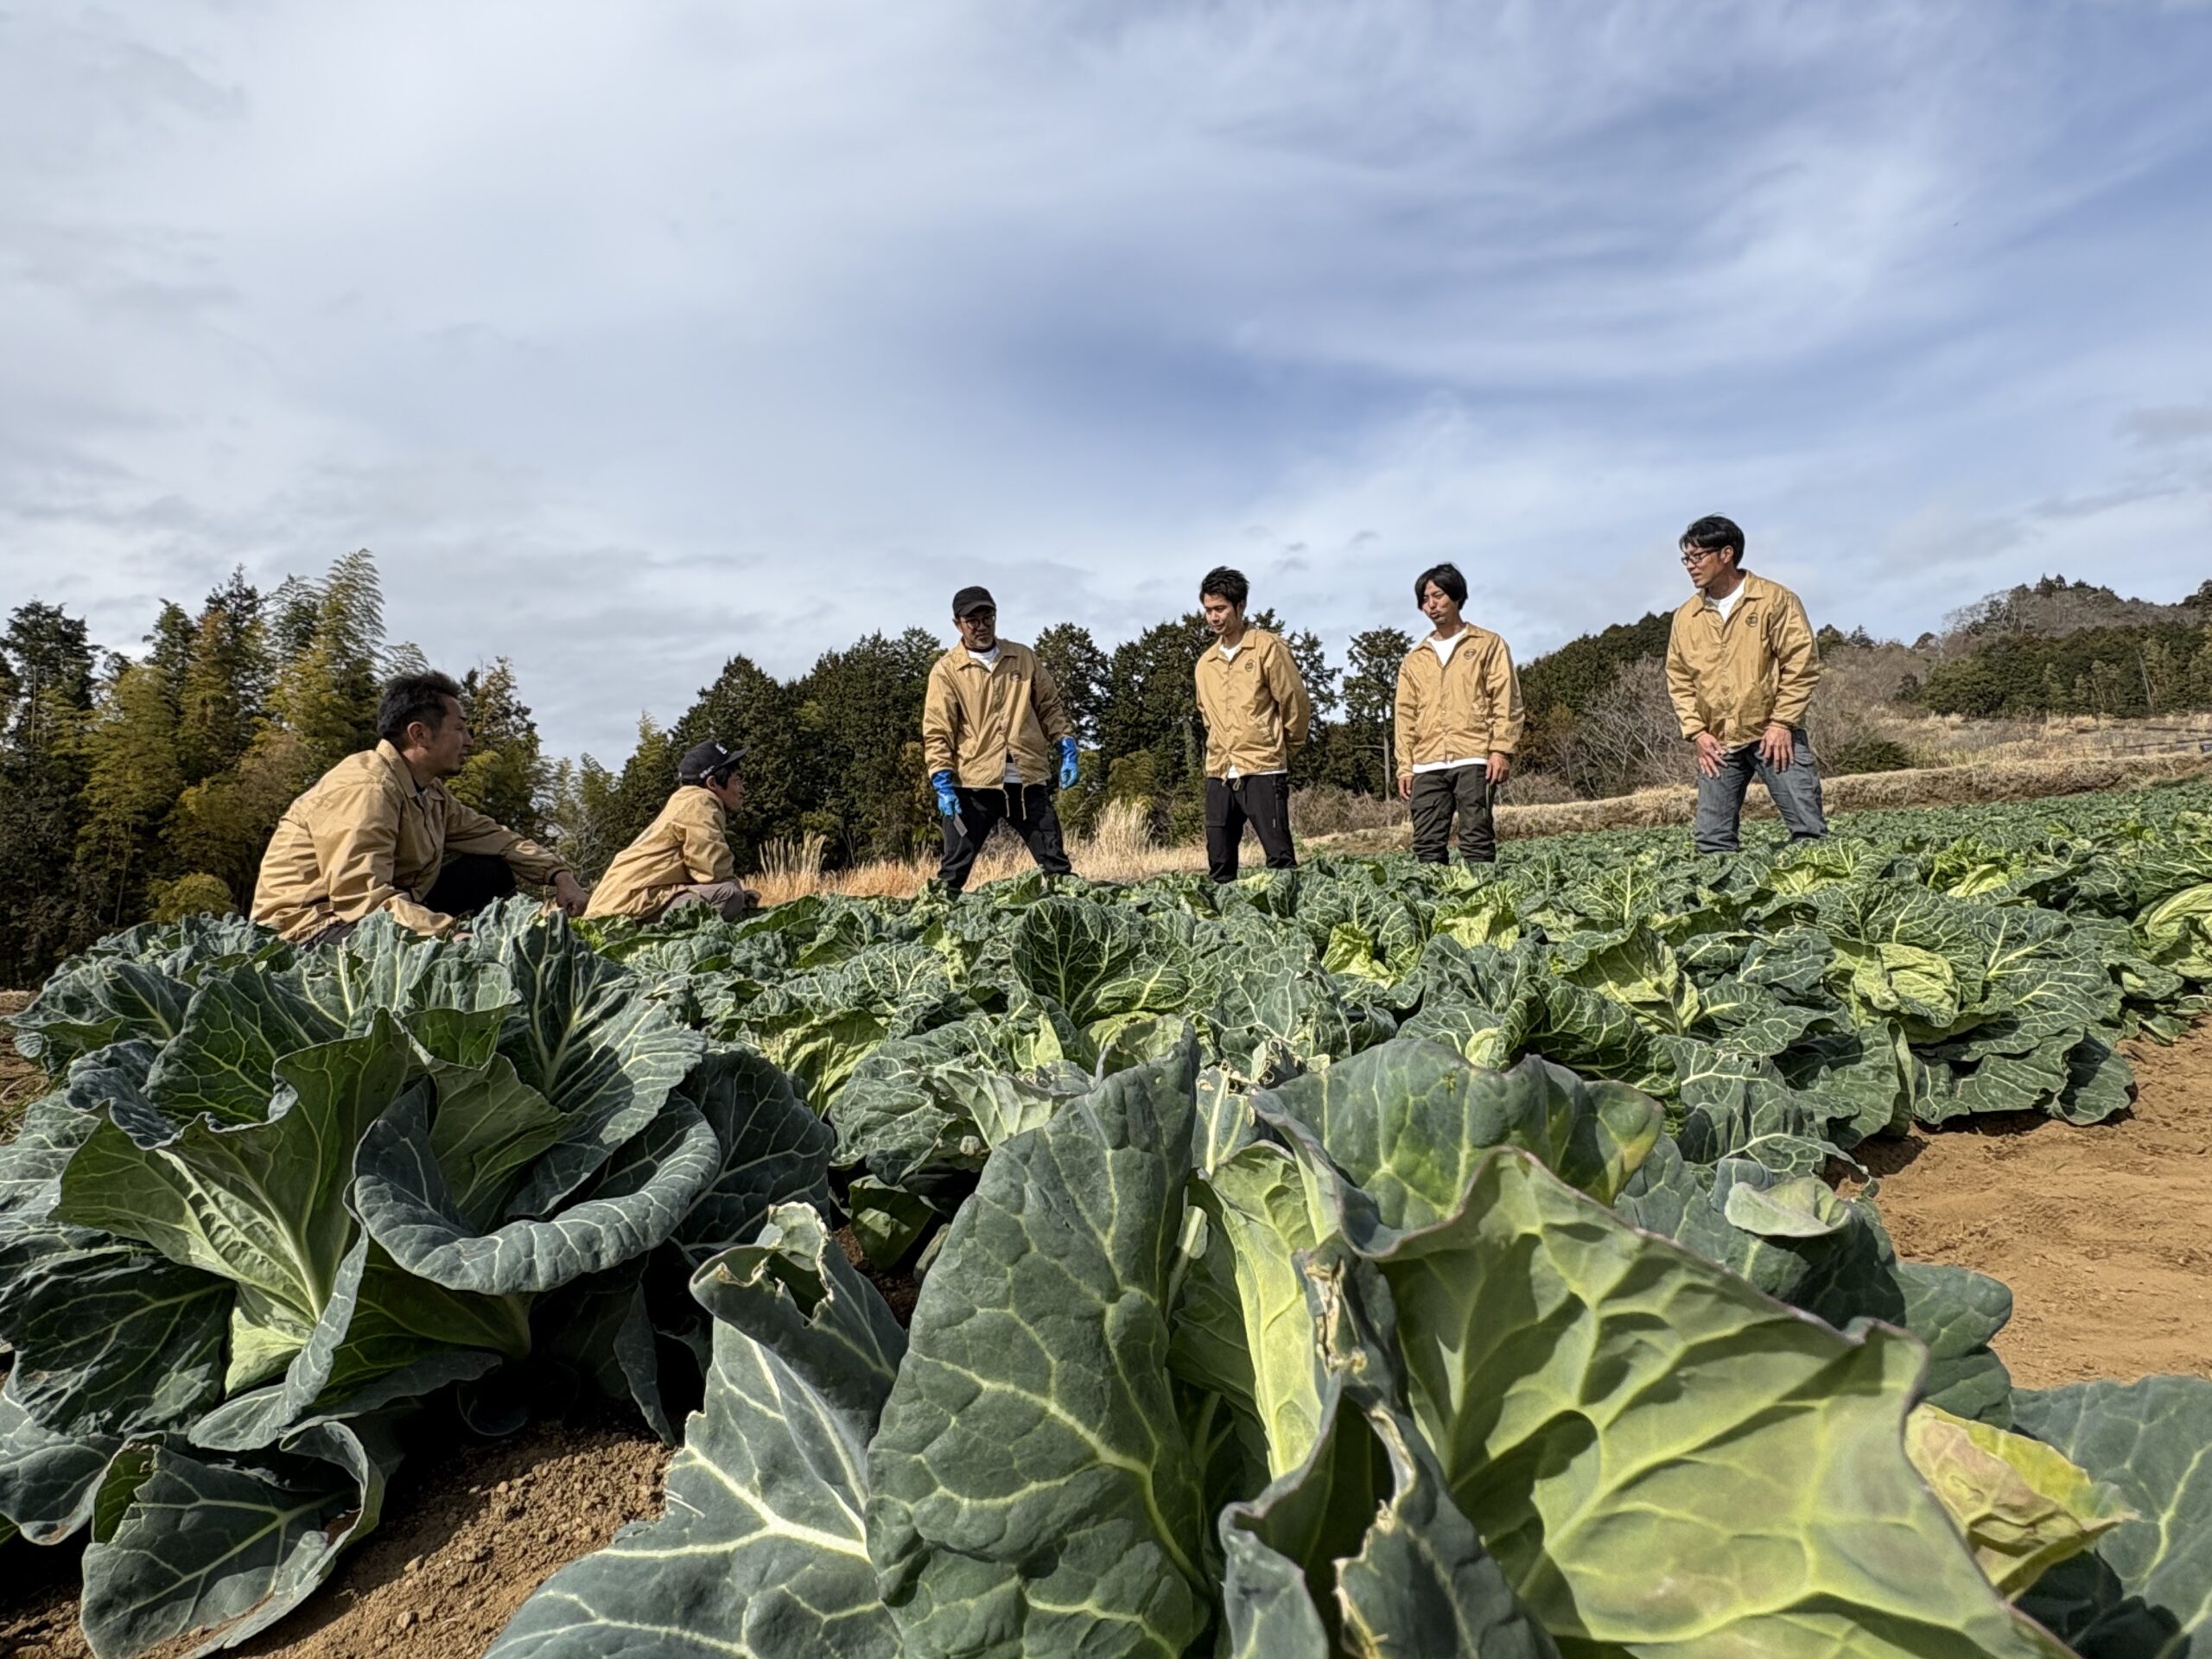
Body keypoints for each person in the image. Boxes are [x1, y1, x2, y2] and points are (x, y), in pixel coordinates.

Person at [251, 671, 586, 943]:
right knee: (447, 948)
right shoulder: (365, 789)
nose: (469, 740)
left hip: (378, 910)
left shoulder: (429, 792)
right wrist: (448, 933)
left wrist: (557, 874)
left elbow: (494, 837)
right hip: (312, 925)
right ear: (419, 734)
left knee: (489, 871)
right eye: (459, 728)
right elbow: (361, 899)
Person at [1664, 514, 1827, 853]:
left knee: (1808, 832)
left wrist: (1782, 722)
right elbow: (1678, 679)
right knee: (1712, 842)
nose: (1690, 566)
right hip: (1717, 742)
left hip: (1774, 735)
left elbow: (1801, 663)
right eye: (1686, 559)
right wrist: (1697, 732)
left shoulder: (1774, 599)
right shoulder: (1685, 616)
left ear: (1726, 554)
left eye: (1697, 557)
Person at [922, 586, 1078, 893]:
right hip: (972, 787)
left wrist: (1066, 744)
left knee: (1056, 865)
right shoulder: (946, 672)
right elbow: (937, 731)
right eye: (972, 621)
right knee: (953, 873)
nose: (981, 626)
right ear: (958, 624)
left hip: (1027, 781)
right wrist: (941, 781)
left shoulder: (1023, 658)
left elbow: (1049, 706)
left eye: (987, 617)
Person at [1392, 562, 1524, 865]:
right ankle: (1431, 908)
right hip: (1426, 762)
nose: (1432, 605)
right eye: (1425, 600)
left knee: (1476, 839)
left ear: (1456, 596)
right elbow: (1405, 715)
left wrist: (1500, 749)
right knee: (1426, 846)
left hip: (1475, 756)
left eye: (1438, 595)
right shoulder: (1414, 659)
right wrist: (1404, 766)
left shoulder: (1488, 644)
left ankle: (1484, 902)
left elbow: (1506, 699)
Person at [1193, 567, 1313, 882]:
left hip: (1263, 767)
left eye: (1220, 609)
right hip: (1219, 769)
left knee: (1280, 857)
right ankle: (1222, 926)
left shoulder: (1267, 647)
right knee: (1219, 863)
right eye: (1208, 610)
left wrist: (1285, 746)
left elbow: (1294, 700)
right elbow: (1207, 713)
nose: (1213, 617)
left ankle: (1287, 923)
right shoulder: (1205, 664)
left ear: (1240, 606)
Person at [582, 740, 760, 924]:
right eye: (737, 780)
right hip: (625, 909)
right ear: (713, 783)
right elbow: (711, 867)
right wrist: (738, 892)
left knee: (728, 894)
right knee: (730, 895)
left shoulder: (684, 801)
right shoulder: (700, 801)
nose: (743, 790)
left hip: (624, 903)